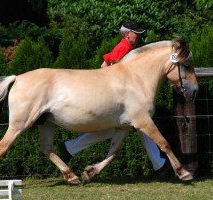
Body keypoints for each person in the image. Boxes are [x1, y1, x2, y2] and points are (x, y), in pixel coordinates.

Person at [59, 21, 171, 174]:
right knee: (140, 125)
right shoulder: (124, 48)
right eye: (136, 33)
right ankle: (159, 164)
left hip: (121, 98)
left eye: (139, 33)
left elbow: (106, 64)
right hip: (116, 97)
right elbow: (106, 66)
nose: (139, 36)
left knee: (137, 126)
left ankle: (69, 148)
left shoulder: (129, 48)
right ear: (127, 34)